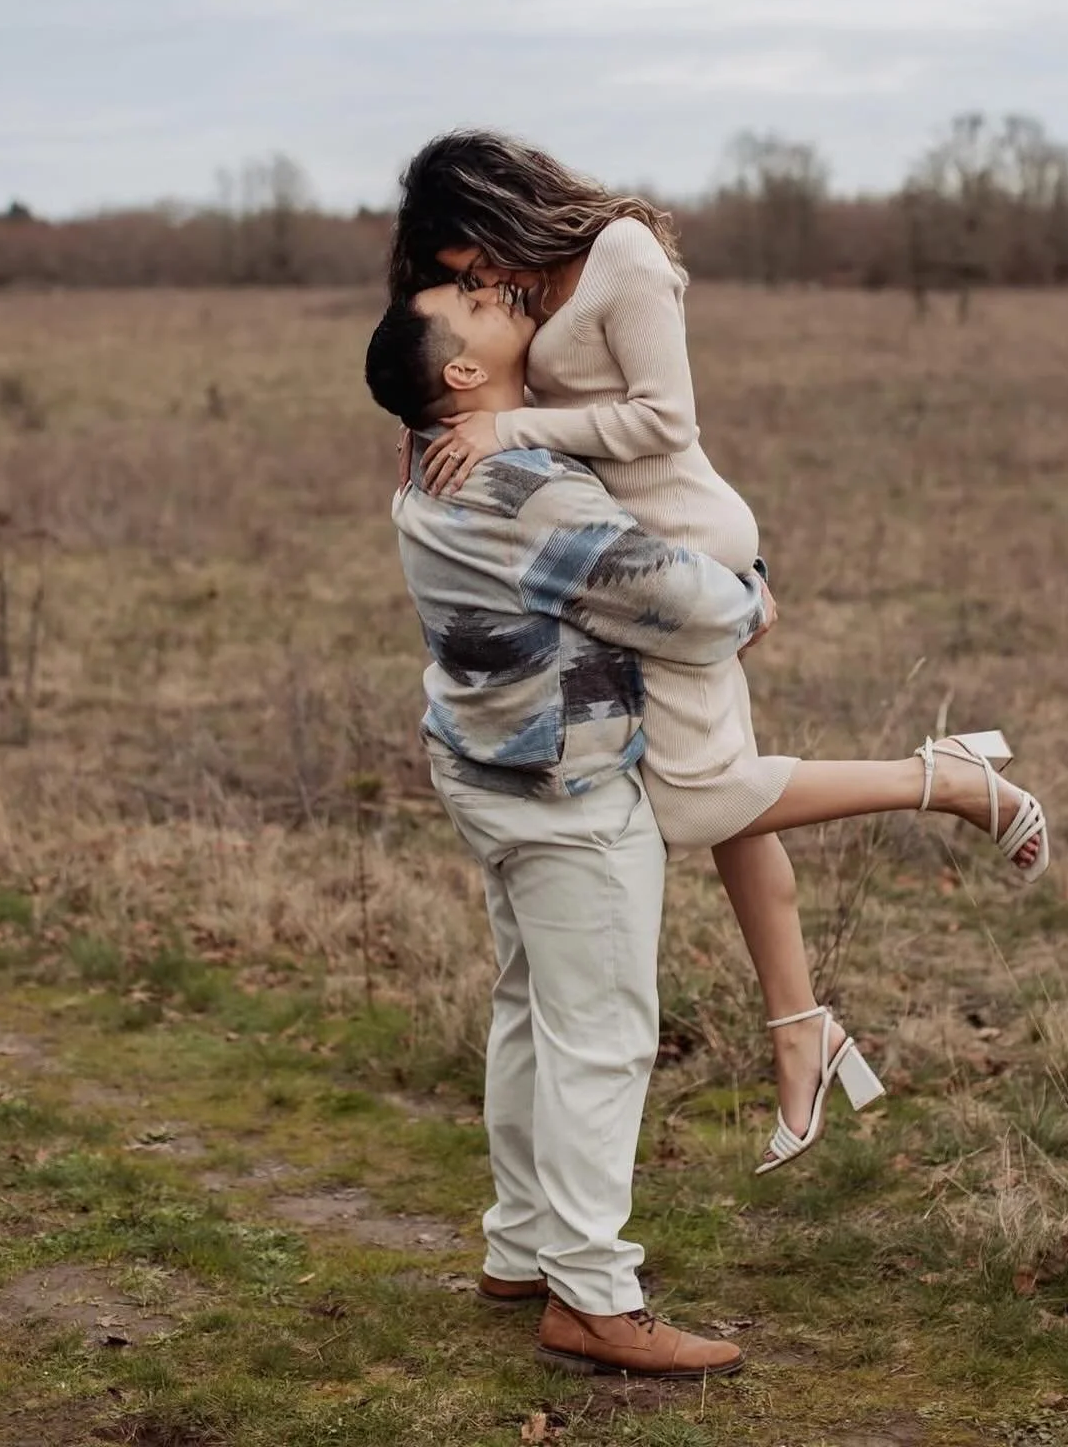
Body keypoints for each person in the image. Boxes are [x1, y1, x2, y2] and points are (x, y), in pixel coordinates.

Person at [388, 131, 1049, 1176]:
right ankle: (802, 1032)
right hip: (620, 559)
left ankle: (949, 781)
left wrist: (518, 440)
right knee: (730, 808)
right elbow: (486, 396)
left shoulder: (624, 260)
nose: (475, 284)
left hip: (677, 551)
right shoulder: (525, 294)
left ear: (500, 207)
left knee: (702, 800)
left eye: (470, 262)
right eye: (458, 280)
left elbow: (666, 420)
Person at [365, 278, 757, 1377]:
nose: (504, 295)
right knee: (602, 1035)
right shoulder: (516, 483)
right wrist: (757, 588)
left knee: (534, 1013)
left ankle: (522, 1247)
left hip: (488, 771)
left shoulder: (428, 459)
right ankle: (591, 1293)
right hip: (565, 791)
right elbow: (700, 612)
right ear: (460, 372)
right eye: (479, 301)